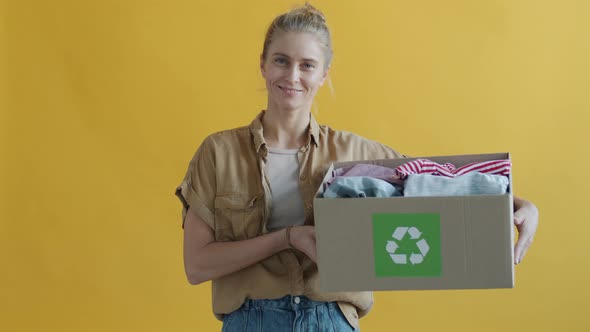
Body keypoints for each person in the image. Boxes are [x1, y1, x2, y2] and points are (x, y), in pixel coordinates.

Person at [175, 4, 539, 331]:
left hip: (330, 320)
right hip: (250, 321)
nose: (293, 76)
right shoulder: (218, 153)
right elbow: (197, 266)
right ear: (263, 64)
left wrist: (519, 205)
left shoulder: (356, 154)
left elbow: (440, 188)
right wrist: (286, 238)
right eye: (281, 60)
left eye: (307, 65)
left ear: (324, 74)